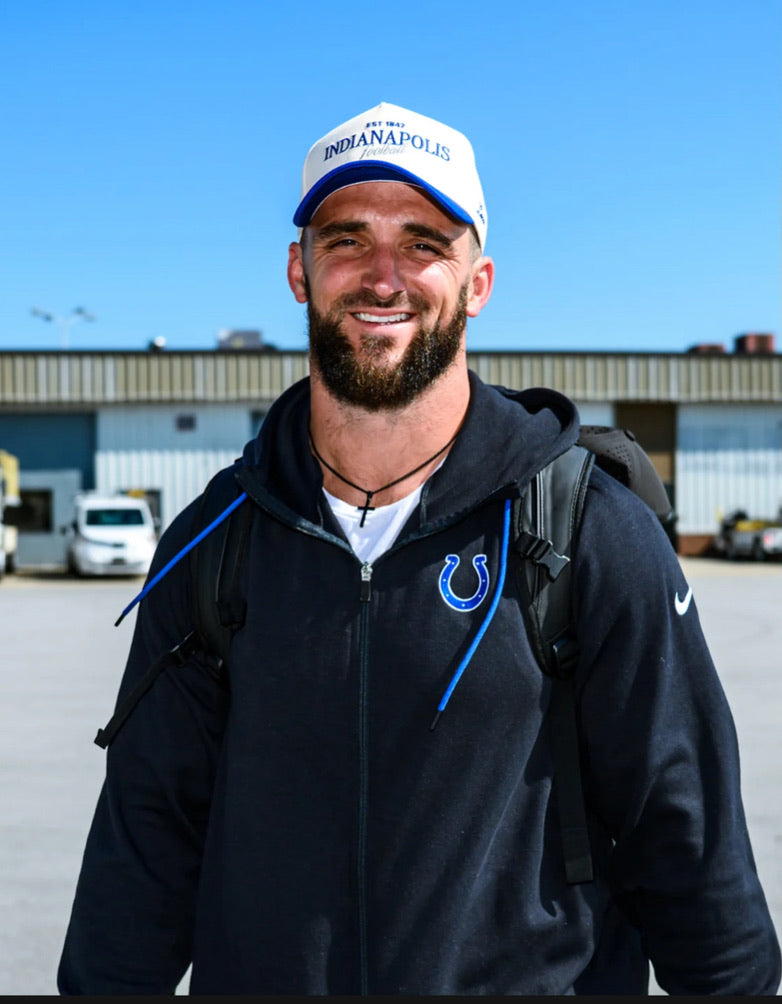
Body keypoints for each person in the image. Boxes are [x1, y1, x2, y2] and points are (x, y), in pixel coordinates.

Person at [58, 101, 780, 995]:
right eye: (347, 240)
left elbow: (694, 855)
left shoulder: (589, 534)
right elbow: (142, 855)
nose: (383, 277)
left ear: (478, 283)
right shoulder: (214, 543)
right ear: (299, 271)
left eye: (425, 244)